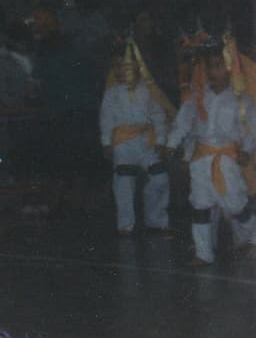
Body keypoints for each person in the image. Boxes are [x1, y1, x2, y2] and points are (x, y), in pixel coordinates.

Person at [165, 38, 256, 265]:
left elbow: (250, 129)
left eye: (218, 66)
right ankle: (203, 252)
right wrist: (171, 144)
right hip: (202, 159)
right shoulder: (197, 97)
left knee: (236, 205)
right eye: (210, 67)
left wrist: (246, 150)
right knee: (200, 204)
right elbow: (183, 123)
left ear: (228, 67)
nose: (214, 72)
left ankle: (251, 238)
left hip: (227, 159)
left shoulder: (240, 99)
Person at [99, 38, 172, 236]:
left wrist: (161, 140)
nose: (118, 70)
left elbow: (158, 115)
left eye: (122, 65)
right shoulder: (112, 93)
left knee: (159, 179)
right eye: (114, 66)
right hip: (123, 142)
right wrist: (106, 142)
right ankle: (125, 225)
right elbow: (106, 119)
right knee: (124, 183)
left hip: (147, 141)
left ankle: (156, 220)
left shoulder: (148, 89)